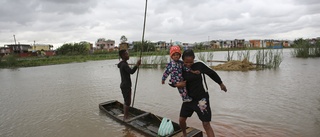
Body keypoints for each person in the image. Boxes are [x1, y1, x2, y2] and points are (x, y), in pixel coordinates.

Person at [175, 49, 227, 137]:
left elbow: (212, 73)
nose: (188, 64)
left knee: (206, 124)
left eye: (190, 62)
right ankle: (184, 134)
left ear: (194, 59)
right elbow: (172, 80)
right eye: (186, 62)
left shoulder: (199, 64)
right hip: (188, 99)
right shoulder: (179, 66)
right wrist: (178, 84)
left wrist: (221, 84)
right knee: (181, 120)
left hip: (201, 99)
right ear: (182, 59)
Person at [117, 49, 141, 120]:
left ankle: (126, 114)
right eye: (127, 54)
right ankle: (125, 117)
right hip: (125, 86)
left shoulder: (123, 63)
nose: (128, 55)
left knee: (127, 101)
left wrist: (137, 65)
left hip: (125, 85)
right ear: (123, 56)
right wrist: (137, 65)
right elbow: (131, 71)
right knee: (127, 102)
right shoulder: (124, 64)